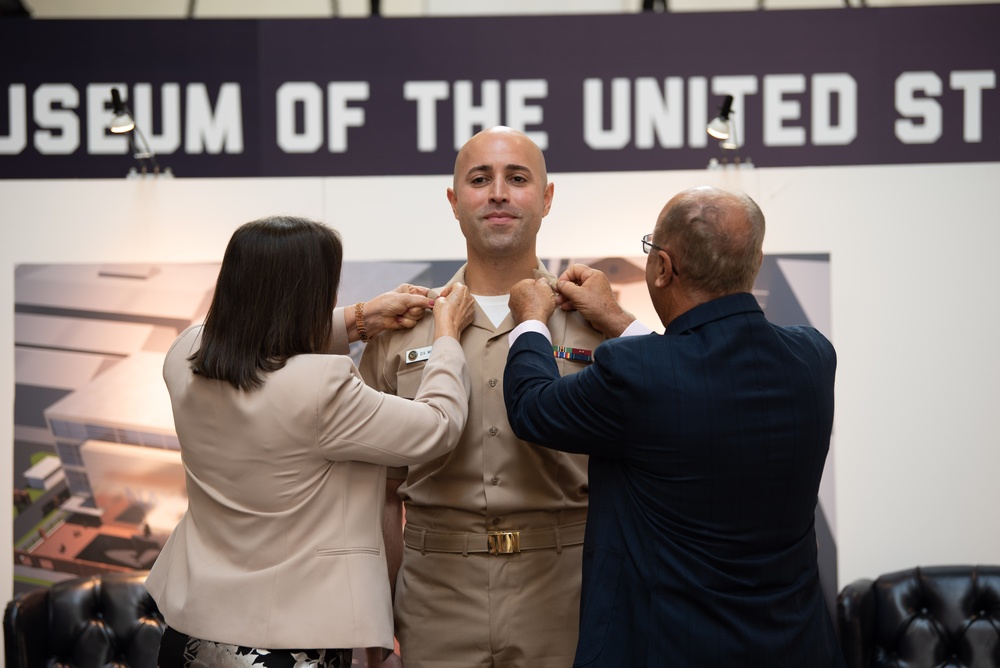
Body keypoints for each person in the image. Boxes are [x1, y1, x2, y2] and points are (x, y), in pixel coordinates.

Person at [503, 186, 845, 666]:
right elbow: (688, 380)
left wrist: (531, 321)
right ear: (756, 261)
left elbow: (531, 406)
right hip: (795, 647)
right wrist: (619, 319)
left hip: (669, 648)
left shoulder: (637, 375)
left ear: (663, 267)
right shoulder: (813, 356)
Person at [145, 215, 476, 668]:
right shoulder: (322, 386)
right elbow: (438, 424)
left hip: (189, 631)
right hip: (287, 643)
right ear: (307, 298)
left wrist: (363, 318)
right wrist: (447, 337)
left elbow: (256, 341)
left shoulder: (183, 355)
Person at [357, 126, 606, 667]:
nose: (498, 193)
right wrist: (375, 626)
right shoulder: (402, 328)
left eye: (517, 178)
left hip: (563, 594)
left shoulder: (594, 324)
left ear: (546, 198)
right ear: (453, 201)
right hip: (434, 598)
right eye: (479, 179)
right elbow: (380, 494)